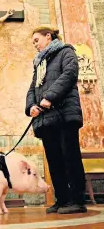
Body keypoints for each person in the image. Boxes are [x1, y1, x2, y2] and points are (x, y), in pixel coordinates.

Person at [25, 26, 87, 214]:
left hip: (65, 115)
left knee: (70, 158)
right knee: (54, 161)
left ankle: (76, 201)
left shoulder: (66, 52)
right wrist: (31, 107)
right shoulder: (39, 63)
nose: (35, 45)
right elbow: (32, 89)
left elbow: (69, 75)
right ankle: (62, 200)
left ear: (48, 36)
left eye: (36, 40)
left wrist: (50, 96)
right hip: (46, 118)